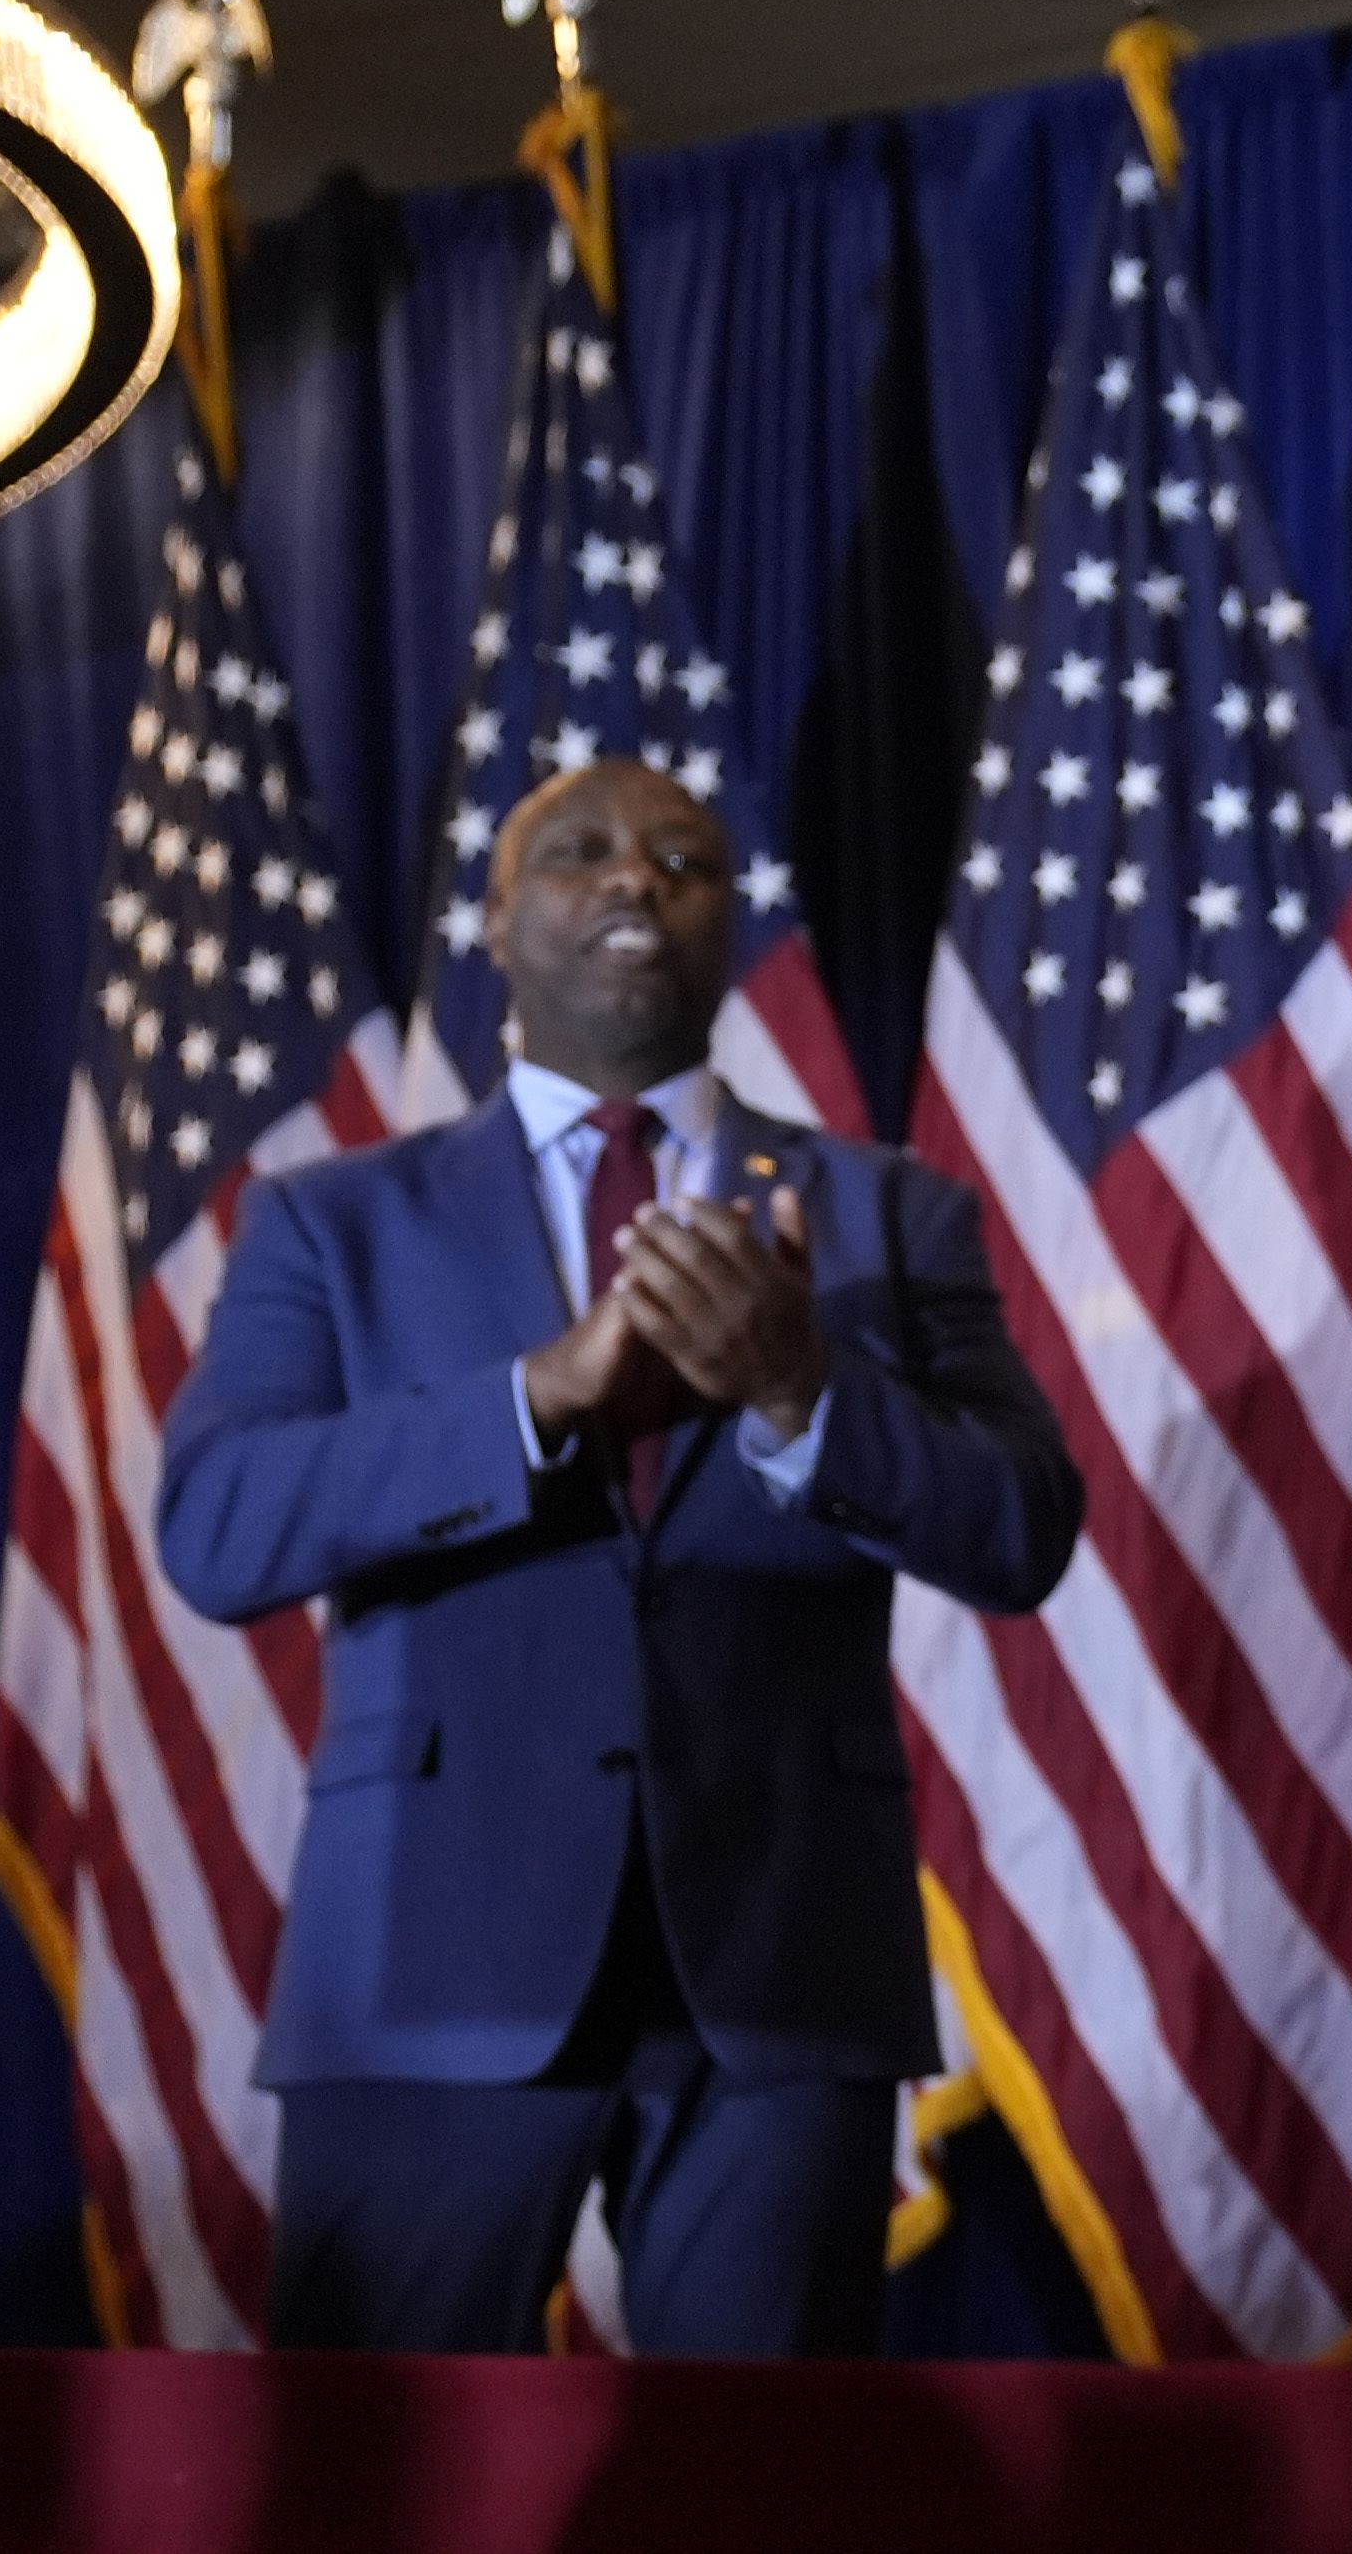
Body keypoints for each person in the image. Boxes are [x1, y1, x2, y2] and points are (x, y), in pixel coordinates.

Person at [159, 758, 1081, 2356]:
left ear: (733, 930)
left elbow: (1020, 1529)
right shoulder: (332, 1223)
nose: (633, 882)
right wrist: (540, 1396)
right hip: (428, 1969)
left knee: (758, 2503)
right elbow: (223, 1523)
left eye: (684, 860)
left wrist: (805, 1388)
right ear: (498, 926)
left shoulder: (892, 1214)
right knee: (383, 2488)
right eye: (577, 854)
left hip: (780, 1974)